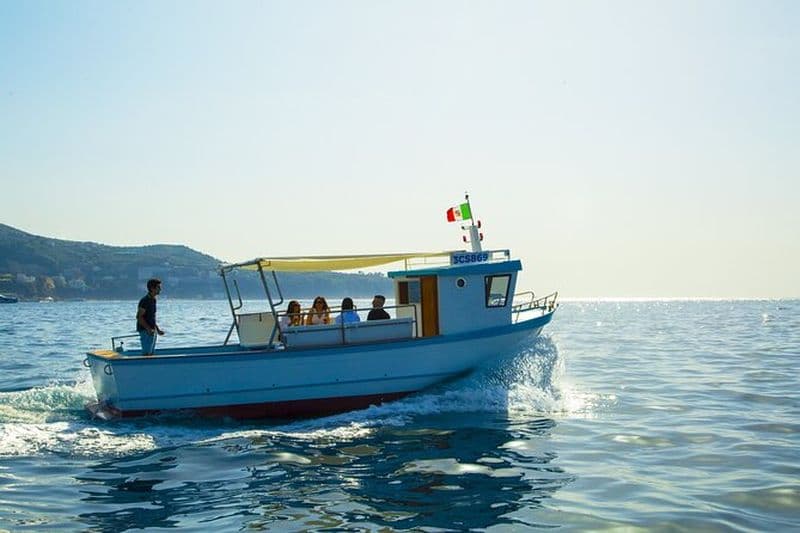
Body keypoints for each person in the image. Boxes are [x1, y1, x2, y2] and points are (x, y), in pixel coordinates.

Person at [136, 278, 165, 355]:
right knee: (146, 353)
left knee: (151, 353)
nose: (160, 289)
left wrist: (158, 330)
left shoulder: (153, 300)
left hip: (152, 331)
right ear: (152, 288)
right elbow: (139, 317)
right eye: (158, 287)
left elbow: (152, 317)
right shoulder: (145, 300)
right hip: (145, 331)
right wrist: (148, 329)